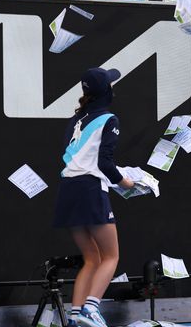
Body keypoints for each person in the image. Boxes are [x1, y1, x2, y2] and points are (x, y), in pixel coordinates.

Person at [53, 67, 134, 327]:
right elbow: (105, 164)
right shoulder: (110, 118)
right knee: (111, 257)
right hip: (90, 190)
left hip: (67, 191)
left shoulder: (75, 121)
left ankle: (76, 315)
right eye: (111, 83)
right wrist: (128, 183)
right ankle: (91, 309)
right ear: (106, 91)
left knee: (92, 258)